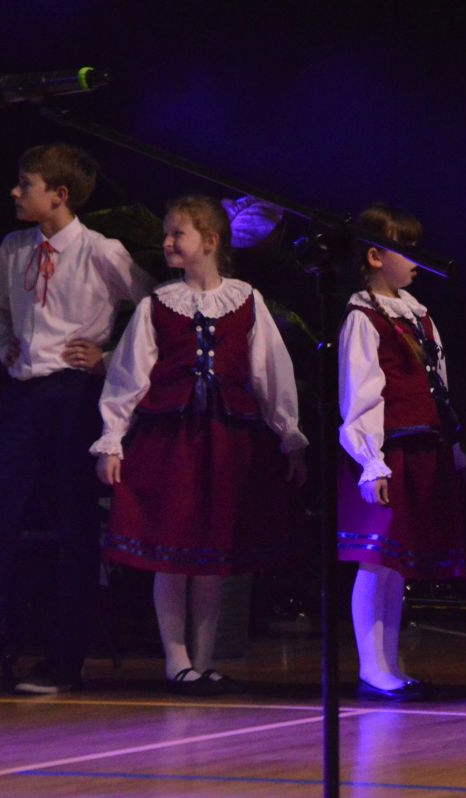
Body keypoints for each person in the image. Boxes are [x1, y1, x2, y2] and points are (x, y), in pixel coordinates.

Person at [0, 143, 154, 695]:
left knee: (74, 526)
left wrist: (108, 357)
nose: (16, 192)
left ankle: (64, 662)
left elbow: (155, 310)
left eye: (26, 184)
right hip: (24, 396)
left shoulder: (100, 250)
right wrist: (4, 347)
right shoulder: (15, 248)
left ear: (59, 195)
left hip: (75, 396)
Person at [91, 195, 307, 696]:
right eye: (166, 233)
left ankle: (205, 661)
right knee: (172, 551)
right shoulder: (157, 305)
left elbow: (270, 374)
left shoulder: (246, 301)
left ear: (210, 241)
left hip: (226, 439)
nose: (167, 242)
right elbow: (129, 377)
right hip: (171, 439)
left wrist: (289, 436)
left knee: (213, 553)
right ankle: (177, 660)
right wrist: (112, 440)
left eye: (178, 233)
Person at [337, 203, 466, 700]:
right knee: (377, 559)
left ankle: (389, 664)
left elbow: (438, 386)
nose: (417, 259)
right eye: (406, 250)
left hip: (421, 446)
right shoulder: (364, 317)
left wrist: (451, 445)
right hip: (386, 451)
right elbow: (361, 395)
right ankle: (372, 668)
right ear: (375, 257)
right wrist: (371, 461)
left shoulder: (419, 315)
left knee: (398, 565)